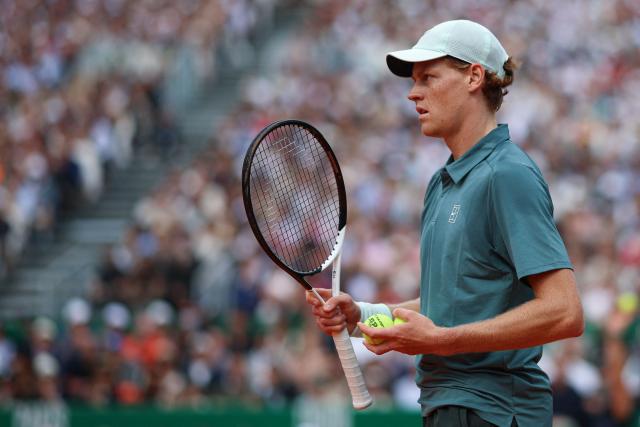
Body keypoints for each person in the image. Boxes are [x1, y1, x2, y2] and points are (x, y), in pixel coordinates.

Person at [306, 20, 584, 427]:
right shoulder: (441, 181)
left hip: (495, 412)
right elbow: (452, 304)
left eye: (428, 78)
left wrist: (442, 341)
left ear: (474, 76)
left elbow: (565, 312)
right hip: (449, 406)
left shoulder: (507, 174)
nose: (413, 92)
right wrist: (362, 315)